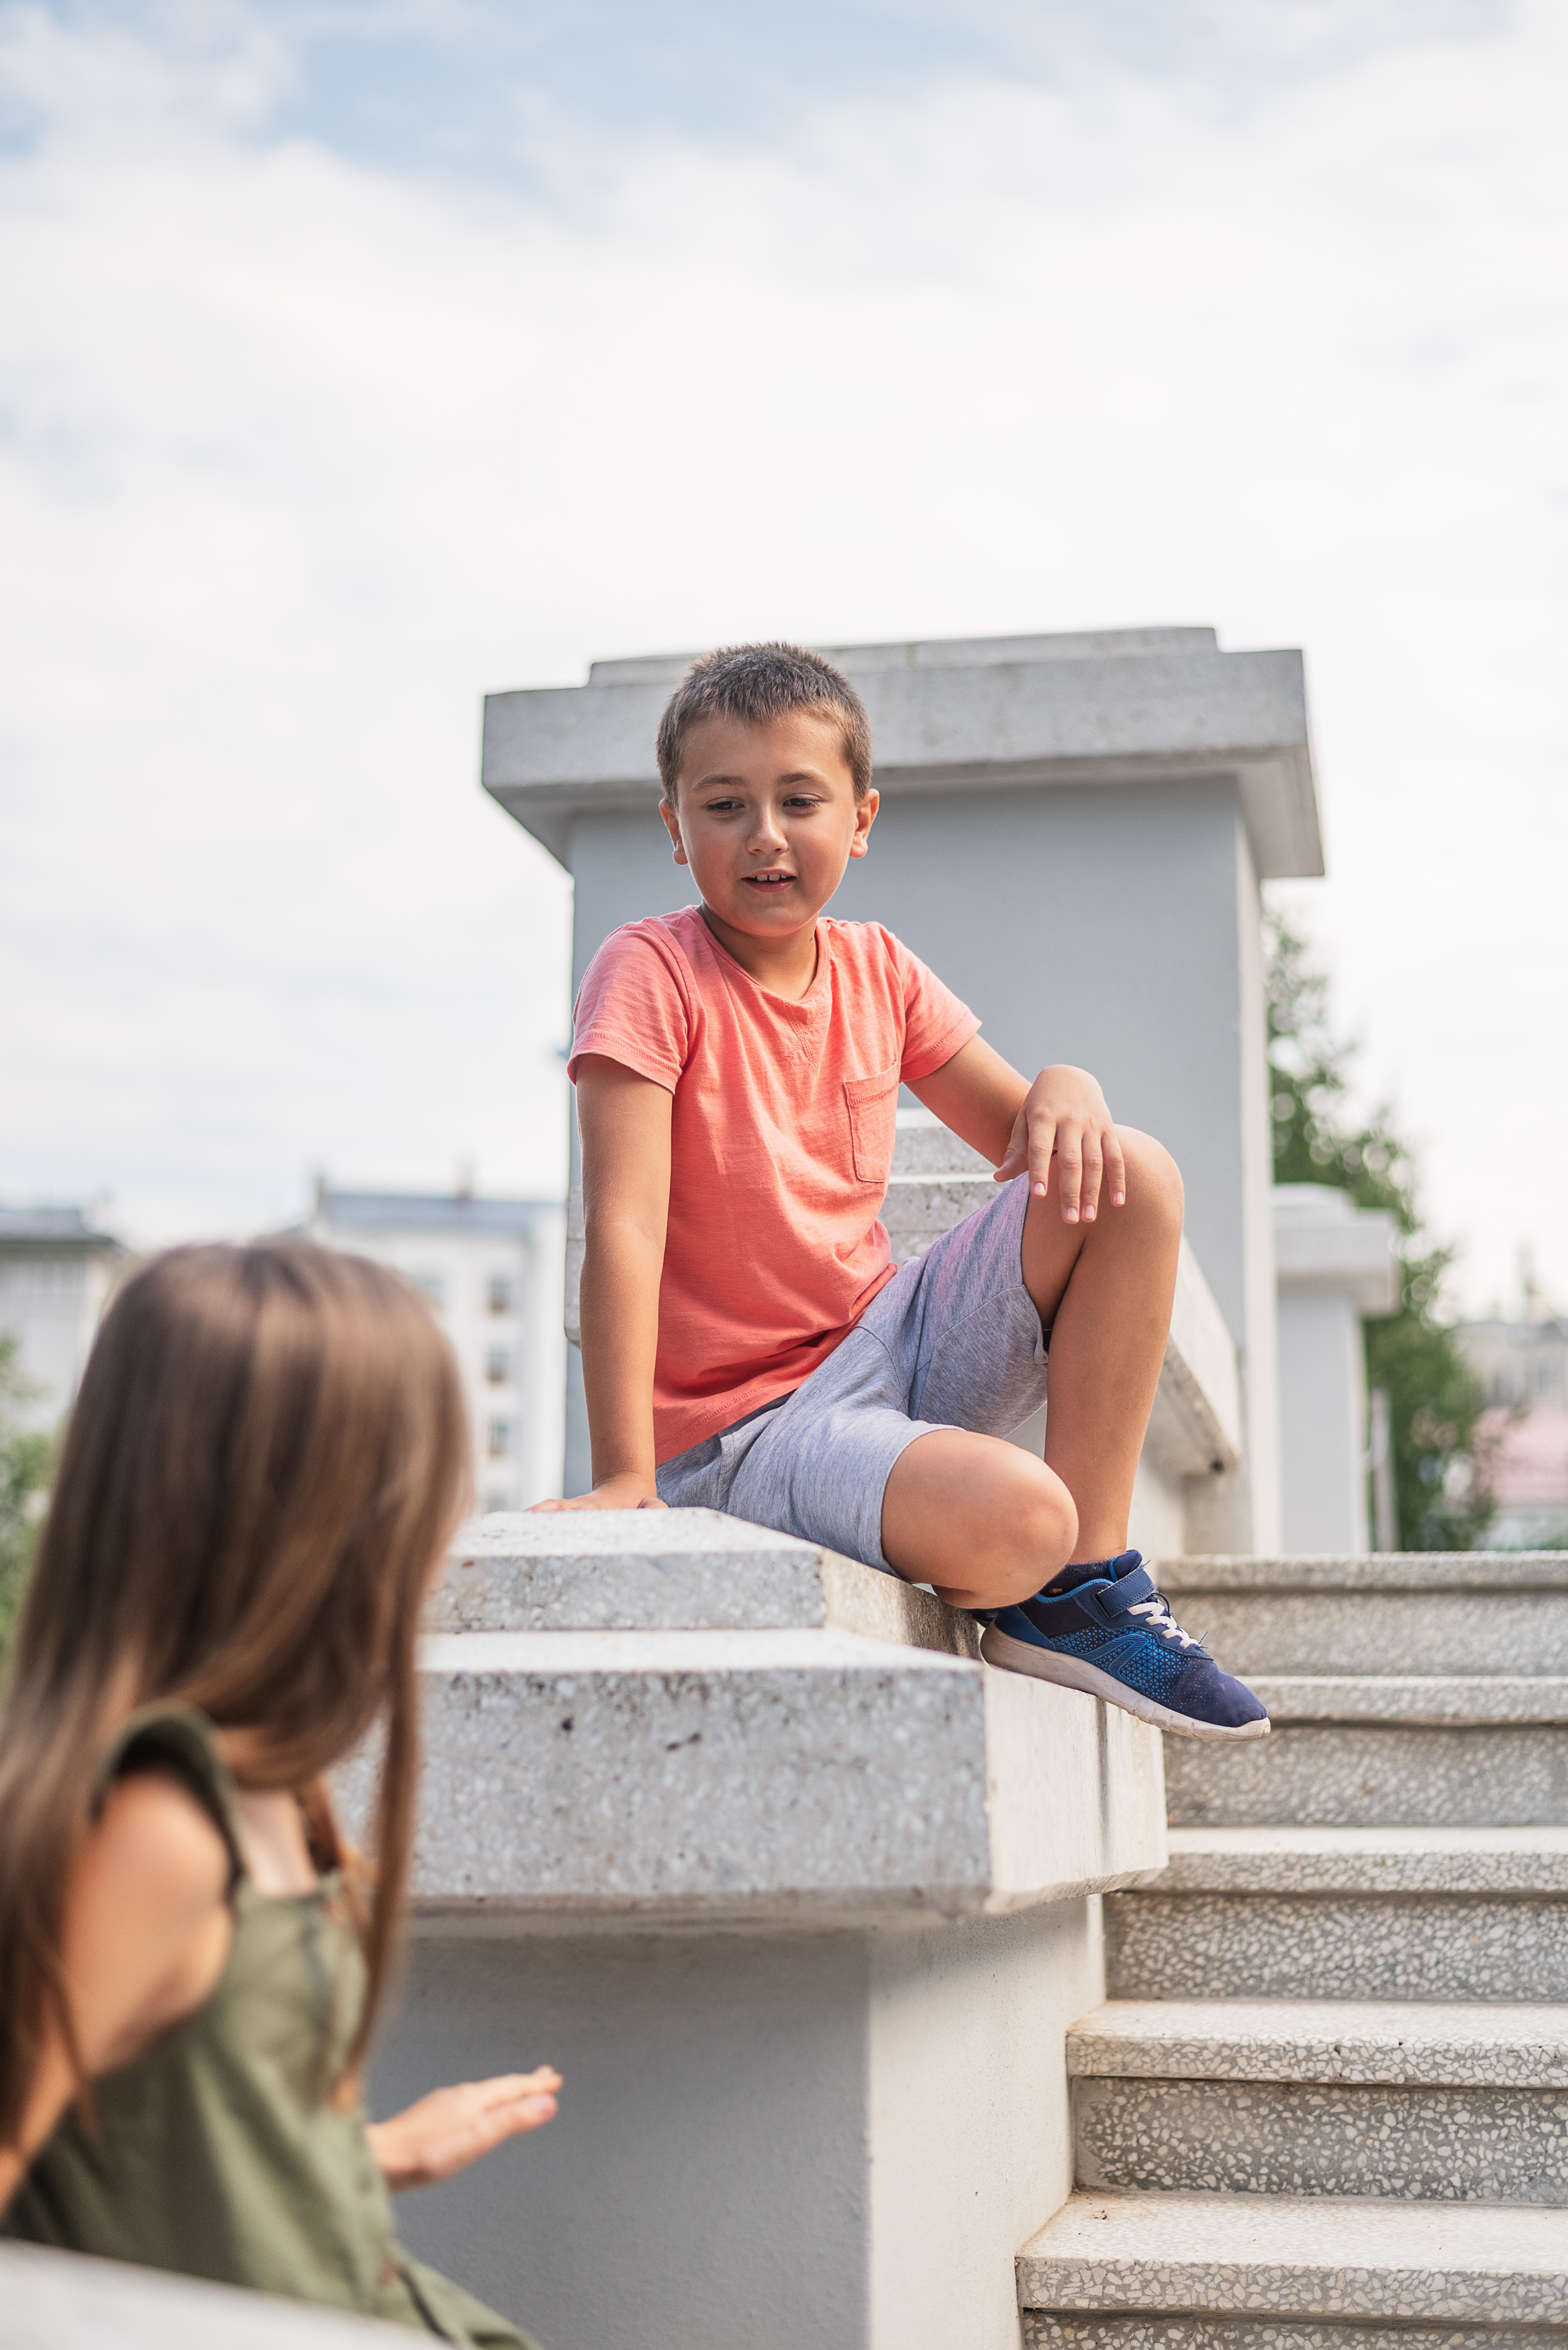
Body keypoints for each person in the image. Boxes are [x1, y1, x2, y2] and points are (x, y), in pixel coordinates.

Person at [537, 641, 1267, 1742]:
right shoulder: (650, 971)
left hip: (888, 1343)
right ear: (675, 826)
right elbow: (623, 1224)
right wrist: (625, 1477)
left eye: (799, 799)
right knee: (1019, 1514)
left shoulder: (878, 967)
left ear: (862, 819)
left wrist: (1069, 1081)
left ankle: (1084, 1590)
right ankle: (1041, 1563)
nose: (766, 834)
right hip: (751, 1439)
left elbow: (1033, 1143)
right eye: (725, 804)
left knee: (1133, 1177)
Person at [0, 1241, 558, 2342]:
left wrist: (370, 2157)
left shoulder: (271, 1787)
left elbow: (172, 2135)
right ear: (332, 1522)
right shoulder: (158, 1824)